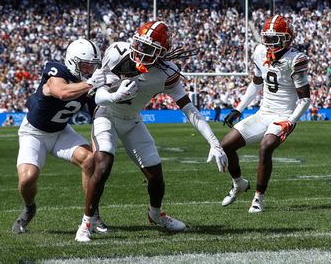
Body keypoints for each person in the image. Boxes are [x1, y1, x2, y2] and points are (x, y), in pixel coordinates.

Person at [75, 21, 228, 242]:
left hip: (132, 120)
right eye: (139, 44)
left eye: (149, 49)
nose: (140, 51)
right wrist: (114, 96)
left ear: (162, 53)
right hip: (106, 115)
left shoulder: (167, 73)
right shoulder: (118, 52)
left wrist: (214, 142)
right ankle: (86, 223)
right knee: (103, 163)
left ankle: (155, 215)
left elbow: (189, 108)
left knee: (156, 175)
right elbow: (97, 94)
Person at [12, 38, 107, 234]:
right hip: (34, 133)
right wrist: (89, 84)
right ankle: (29, 207)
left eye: (92, 65)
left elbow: (96, 117)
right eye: (86, 65)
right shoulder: (56, 70)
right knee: (27, 179)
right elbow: (62, 92)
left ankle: (92, 213)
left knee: (89, 159)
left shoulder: (88, 84)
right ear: (73, 61)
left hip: (60, 132)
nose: (89, 69)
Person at [221, 15, 310, 213]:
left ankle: (258, 197)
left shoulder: (295, 59)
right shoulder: (260, 51)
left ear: (287, 39)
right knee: (226, 145)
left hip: (285, 115)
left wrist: (291, 121)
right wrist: (238, 109)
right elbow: (256, 83)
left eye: (274, 38)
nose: (269, 43)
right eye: (267, 38)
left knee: (265, 148)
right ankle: (239, 184)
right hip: (264, 112)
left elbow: (305, 99)